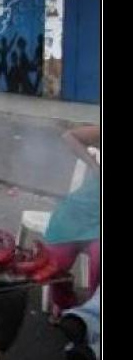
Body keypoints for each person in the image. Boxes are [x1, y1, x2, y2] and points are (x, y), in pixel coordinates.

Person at [44, 125, 100, 320]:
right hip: (79, 210)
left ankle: (92, 315)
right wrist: (94, 166)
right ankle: (66, 304)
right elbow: (69, 136)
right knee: (53, 262)